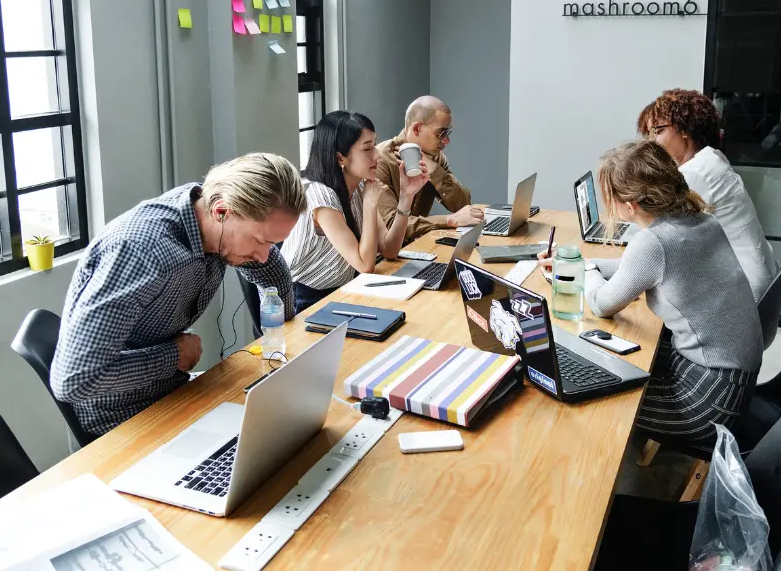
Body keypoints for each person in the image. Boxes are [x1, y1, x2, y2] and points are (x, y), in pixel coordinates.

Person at [51, 153, 306, 436]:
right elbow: (74, 380)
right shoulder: (139, 253)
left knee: (288, 430)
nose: (262, 256)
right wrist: (173, 356)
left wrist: (281, 332)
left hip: (174, 390)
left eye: (273, 243)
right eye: (259, 241)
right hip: (122, 419)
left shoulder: (208, 213)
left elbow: (272, 271)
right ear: (221, 212)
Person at [543, 142, 763, 446]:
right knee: (607, 357)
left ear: (630, 205)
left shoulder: (653, 243)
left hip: (710, 400)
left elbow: (601, 303)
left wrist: (584, 271)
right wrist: (584, 263)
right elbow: (636, 268)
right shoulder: (702, 221)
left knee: (584, 397)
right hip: (735, 379)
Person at [281, 111, 430, 312]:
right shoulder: (321, 197)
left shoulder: (361, 187)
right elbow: (364, 265)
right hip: (306, 300)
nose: (377, 154)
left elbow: (389, 249)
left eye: (375, 144)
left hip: (344, 289)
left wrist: (406, 196)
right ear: (340, 158)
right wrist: (369, 203)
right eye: (367, 148)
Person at [637, 88, 776, 300]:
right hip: (752, 276)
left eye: (658, 131)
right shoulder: (711, 158)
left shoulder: (697, 173)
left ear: (684, 129)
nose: (653, 142)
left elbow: (659, 236)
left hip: (744, 292)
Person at [375, 95, 483, 241]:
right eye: (442, 133)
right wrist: (448, 220)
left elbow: (463, 206)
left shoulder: (435, 158)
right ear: (417, 128)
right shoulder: (380, 160)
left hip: (416, 247)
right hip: (383, 257)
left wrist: (435, 171)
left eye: (448, 133)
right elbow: (391, 226)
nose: (447, 141)